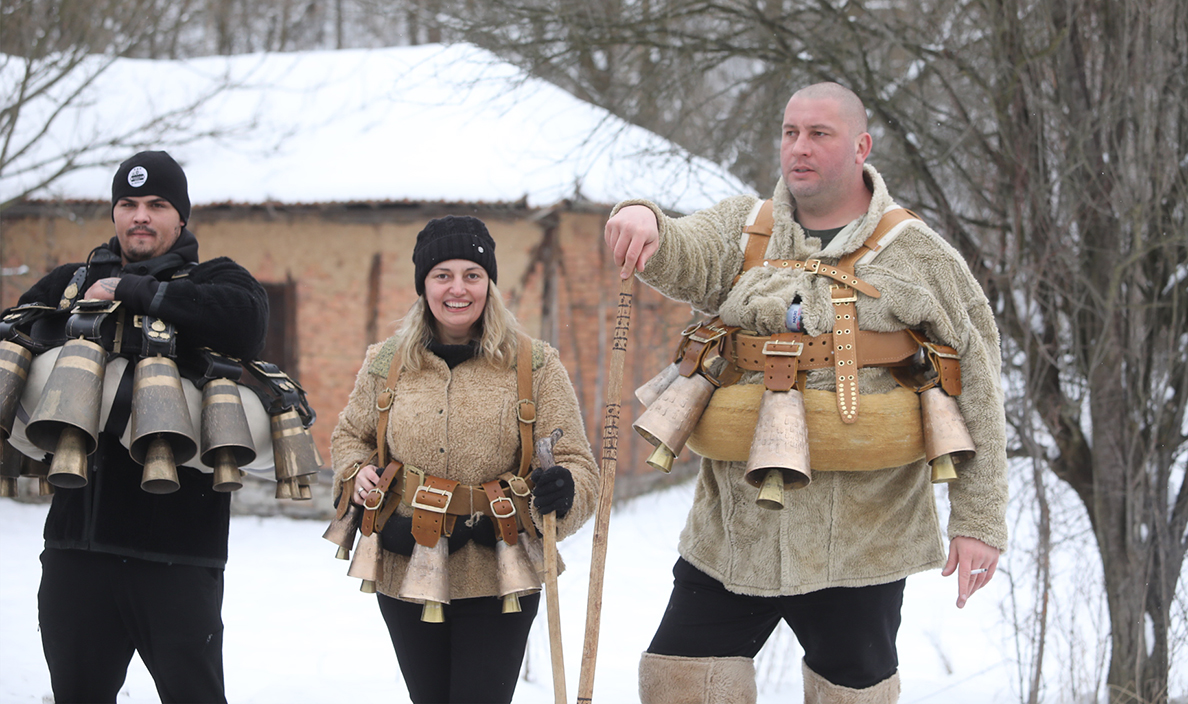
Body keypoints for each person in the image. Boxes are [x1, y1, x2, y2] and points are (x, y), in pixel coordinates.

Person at [604, 82, 1008, 704]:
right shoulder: (744, 229)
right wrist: (645, 220)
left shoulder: (918, 256)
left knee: (852, 695)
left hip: (865, 539)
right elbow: (684, 252)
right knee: (680, 681)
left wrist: (978, 518)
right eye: (791, 133)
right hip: (734, 532)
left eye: (819, 133)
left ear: (861, 145)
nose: (800, 147)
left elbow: (977, 382)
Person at [3, 150, 269, 704]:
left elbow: (246, 323)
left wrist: (133, 292)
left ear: (181, 216)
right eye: (128, 203)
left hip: (179, 555)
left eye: (156, 204)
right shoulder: (71, 281)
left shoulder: (216, 279)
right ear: (115, 212)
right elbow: (17, 331)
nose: (140, 216)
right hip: (77, 549)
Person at [329, 215, 598, 704]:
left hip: (502, 565)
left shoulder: (534, 364)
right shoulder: (386, 361)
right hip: (404, 556)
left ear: (489, 283)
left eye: (472, 275)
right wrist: (356, 471)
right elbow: (351, 436)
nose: (458, 289)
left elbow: (578, 461)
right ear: (424, 285)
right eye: (443, 275)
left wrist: (567, 488)